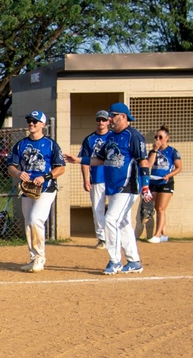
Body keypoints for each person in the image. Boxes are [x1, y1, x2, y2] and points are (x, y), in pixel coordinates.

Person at [64, 102, 149, 275]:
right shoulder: (111, 138)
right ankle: (134, 261)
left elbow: (143, 161)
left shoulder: (133, 136)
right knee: (123, 223)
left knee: (110, 219)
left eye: (113, 115)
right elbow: (99, 160)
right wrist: (79, 160)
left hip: (127, 187)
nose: (110, 119)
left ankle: (115, 260)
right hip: (113, 188)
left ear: (123, 117)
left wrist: (146, 185)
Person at [6, 111, 65, 273]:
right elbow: (11, 166)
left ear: (43, 125)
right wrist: (18, 173)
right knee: (28, 224)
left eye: (35, 121)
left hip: (46, 189)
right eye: (29, 121)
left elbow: (61, 168)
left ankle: (40, 257)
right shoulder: (21, 144)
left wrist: (45, 177)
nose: (31, 124)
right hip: (27, 189)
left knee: (35, 219)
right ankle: (33, 258)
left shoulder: (51, 144)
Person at [77, 110, 111, 249]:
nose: (101, 122)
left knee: (117, 208)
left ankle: (116, 236)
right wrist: (86, 179)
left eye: (104, 120)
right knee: (98, 209)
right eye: (99, 120)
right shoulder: (89, 139)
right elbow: (84, 161)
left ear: (109, 121)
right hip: (97, 178)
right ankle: (102, 238)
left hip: (114, 178)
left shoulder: (114, 137)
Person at [146, 126, 182, 243]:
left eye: (160, 137)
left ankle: (157, 235)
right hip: (154, 181)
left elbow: (179, 167)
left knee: (160, 208)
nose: (158, 139)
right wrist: (155, 151)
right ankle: (164, 235)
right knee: (158, 209)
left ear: (167, 138)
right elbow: (149, 165)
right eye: (156, 137)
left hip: (166, 182)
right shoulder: (153, 151)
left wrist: (169, 175)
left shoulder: (172, 151)